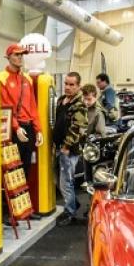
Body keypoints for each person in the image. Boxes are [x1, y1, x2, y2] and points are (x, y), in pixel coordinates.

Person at [0, 44, 43, 181]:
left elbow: (33, 107)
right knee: (12, 169)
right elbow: (4, 106)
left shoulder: (27, 79)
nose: (20, 58)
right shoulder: (1, 78)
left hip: (28, 127)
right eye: (16, 55)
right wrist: (16, 127)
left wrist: (38, 130)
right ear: (8, 57)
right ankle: (8, 202)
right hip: (13, 130)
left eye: (21, 55)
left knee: (26, 167)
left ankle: (23, 200)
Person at [53, 72, 88, 226]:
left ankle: (70, 212)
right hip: (59, 147)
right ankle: (73, 203)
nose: (67, 87)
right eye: (66, 83)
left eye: (71, 84)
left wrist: (67, 146)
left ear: (78, 86)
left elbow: (78, 128)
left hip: (69, 150)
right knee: (60, 181)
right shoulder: (62, 100)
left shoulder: (79, 104)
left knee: (66, 182)